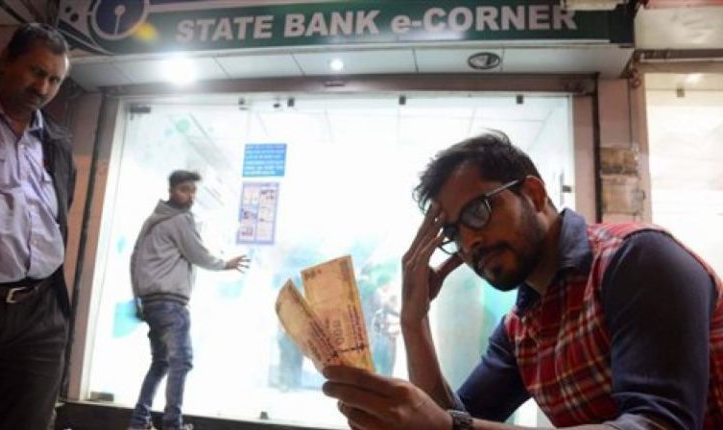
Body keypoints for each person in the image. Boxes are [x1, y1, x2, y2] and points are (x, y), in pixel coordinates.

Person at [322, 131, 723, 430]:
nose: (470, 241)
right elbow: (456, 418)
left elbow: (660, 423)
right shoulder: (520, 328)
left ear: (532, 193)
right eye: (453, 234)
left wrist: (449, 426)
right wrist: (414, 320)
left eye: (478, 211)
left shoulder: (636, 259)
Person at [0, 23, 74, 430]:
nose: (43, 87)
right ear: (6, 60)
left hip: (37, 309)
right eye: (36, 72)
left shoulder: (57, 141)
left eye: (55, 79)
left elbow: (59, 213)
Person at [128, 170, 250, 430]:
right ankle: (172, 424)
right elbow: (198, 253)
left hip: (151, 303)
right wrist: (225, 264)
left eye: (193, 190)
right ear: (171, 190)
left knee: (160, 362)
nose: (191, 196)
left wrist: (138, 297)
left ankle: (139, 422)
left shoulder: (152, 220)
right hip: (171, 303)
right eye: (185, 189)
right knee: (181, 361)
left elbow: (134, 258)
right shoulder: (181, 220)